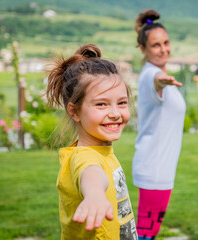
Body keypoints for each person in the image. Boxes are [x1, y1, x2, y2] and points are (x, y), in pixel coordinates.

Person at [46, 43, 138, 240]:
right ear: (74, 111)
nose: (115, 113)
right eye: (101, 104)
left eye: (121, 103)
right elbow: (91, 173)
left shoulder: (102, 151)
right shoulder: (84, 156)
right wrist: (95, 194)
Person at [132, 9, 186, 240]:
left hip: (160, 169)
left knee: (148, 234)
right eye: (155, 45)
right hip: (154, 170)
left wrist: (163, 80)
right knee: (145, 235)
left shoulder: (159, 74)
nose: (163, 49)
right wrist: (160, 81)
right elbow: (153, 82)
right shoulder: (150, 76)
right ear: (143, 49)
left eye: (166, 42)